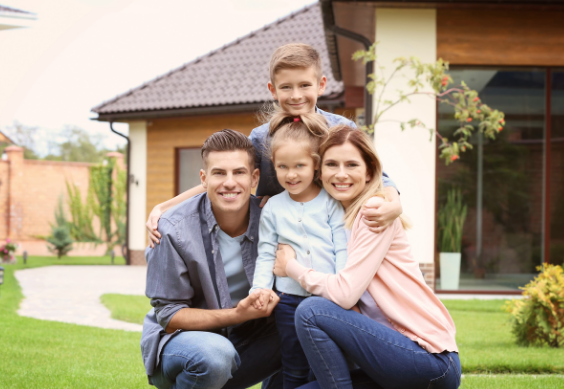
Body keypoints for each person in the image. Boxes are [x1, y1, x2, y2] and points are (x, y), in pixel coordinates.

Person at [272, 125, 461, 389]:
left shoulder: (374, 211)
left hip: (430, 363)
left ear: (371, 170)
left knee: (312, 311)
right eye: (331, 165)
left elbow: (343, 295)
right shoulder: (339, 219)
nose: (340, 174)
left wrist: (293, 268)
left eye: (351, 165)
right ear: (319, 170)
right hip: (393, 366)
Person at [144, 43, 402, 249]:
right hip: (281, 236)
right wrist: (164, 207)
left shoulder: (340, 129)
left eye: (304, 85)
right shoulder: (261, 137)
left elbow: (379, 177)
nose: (296, 95)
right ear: (273, 90)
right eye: (286, 87)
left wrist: (394, 205)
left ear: (321, 85)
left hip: (335, 232)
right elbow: (226, 175)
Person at [142, 129, 287, 389]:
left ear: (254, 178)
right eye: (219, 173)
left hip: (246, 344)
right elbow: (169, 316)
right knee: (215, 353)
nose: (229, 182)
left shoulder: (273, 219)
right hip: (183, 351)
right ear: (204, 177)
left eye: (238, 173)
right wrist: (238, 314)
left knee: (310, 319)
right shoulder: (174, 229)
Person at [250, 110, 347, 389]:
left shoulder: (333, 203)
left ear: (316, 166)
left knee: (326, 364)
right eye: (283, 168)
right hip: (289, 302)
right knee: (292, 366)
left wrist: (343, 290)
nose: (291, 175)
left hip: (326, 302)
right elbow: (265, 254)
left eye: (300, 167)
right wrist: (260, 289)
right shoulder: (273, 207)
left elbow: (343, 251)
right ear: (273, 167)